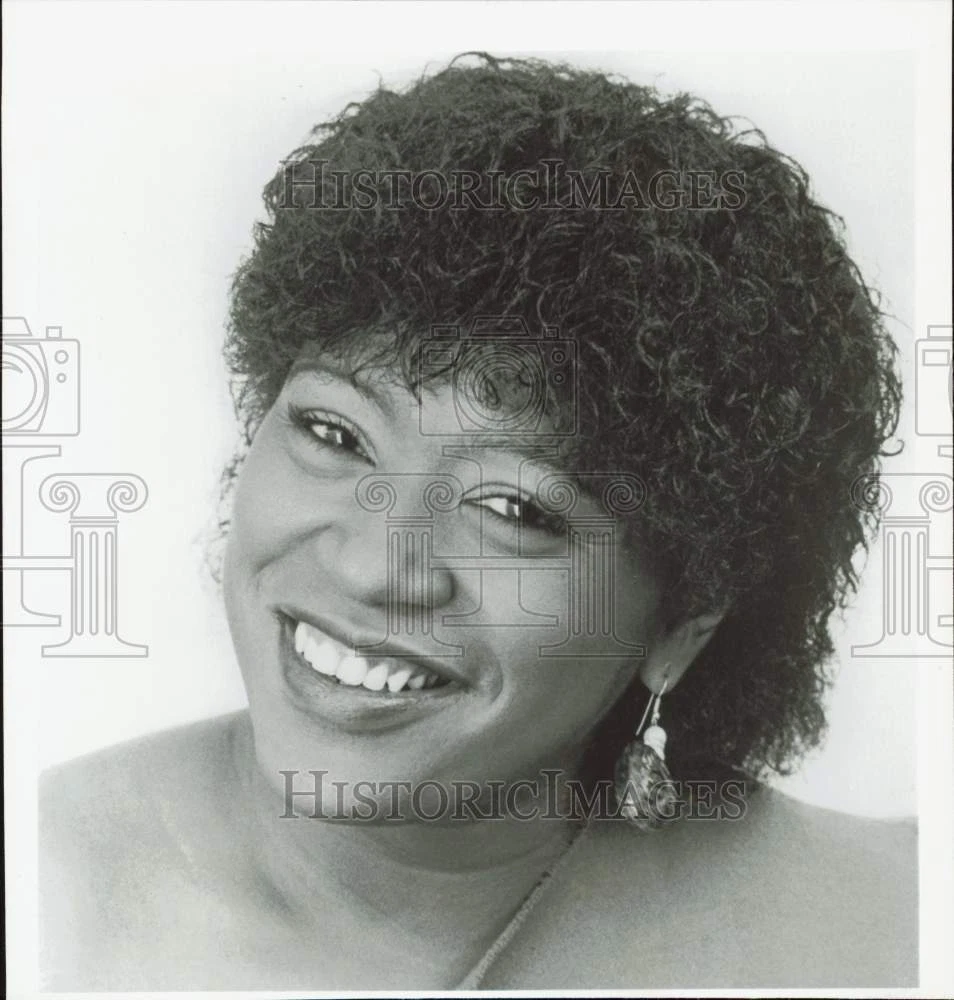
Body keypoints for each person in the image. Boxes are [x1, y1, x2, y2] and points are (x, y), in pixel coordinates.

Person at [39, 53, 916, 989]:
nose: (375, 566)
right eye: (335, 433)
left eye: (513, 508)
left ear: (680, 629)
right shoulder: (52, 890)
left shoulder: (898, 925)